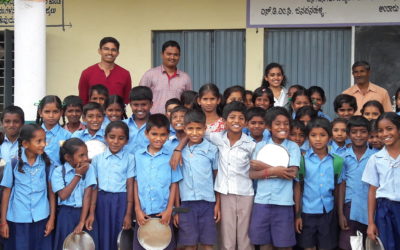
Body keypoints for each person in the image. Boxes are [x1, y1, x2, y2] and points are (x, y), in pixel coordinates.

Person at [249, 107, 300, 249]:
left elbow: (292, 174)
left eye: (286, 123)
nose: (282, 127)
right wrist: (274, 170)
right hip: (262, 202)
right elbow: (252, 174)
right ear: (269, 127)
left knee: (284, 245)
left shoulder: (293, 147)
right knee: (265, 244)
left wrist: (266, 168)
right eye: (278, 123)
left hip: (284, 204)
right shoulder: (260, 146)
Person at [0, 124, 56, 250]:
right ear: (25, 144)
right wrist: (3, 222)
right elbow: (6, 193)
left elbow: (51, 193)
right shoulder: (13, 163)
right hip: (18, 220)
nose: (43, 144)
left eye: (44, 140)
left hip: (42, 218)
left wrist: (51, 219)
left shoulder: (47, 164)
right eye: (39, 141)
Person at [209, 101, 256, 250]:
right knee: (226, 235)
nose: (236, 121)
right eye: (232, 117)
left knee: (245, 236)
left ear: (246, 122)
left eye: (241, 118)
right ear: (224, 121)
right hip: (225, 193)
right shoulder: (216, 138)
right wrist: (178, 150)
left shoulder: (250, 144)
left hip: (245, 193)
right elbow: (192, 132)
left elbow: (255, 167)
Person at [133, 114, 183, 250]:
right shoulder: (138, 156)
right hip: (143, 214)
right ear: (146, 133)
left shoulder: (171, 156)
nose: (158, 138)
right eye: (154, 134)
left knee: (165, 245)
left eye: (162, 135)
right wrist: (137, 209)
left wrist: (169, 210)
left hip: (164, 214)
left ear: (167, 135)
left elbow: (174, 184)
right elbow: (135, 183)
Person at [174, 110, 220, 250]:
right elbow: (175, 181)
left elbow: (218, 178)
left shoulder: (211, 149)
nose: (194, 133)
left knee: (208, 243)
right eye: (190, 128)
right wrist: (177, 209)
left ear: (205, 128)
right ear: (184, 128)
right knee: (189, 243)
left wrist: (217, 204)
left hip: (207, 203)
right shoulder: (179, 152)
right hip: (186, 204)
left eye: (199, 128)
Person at [294, 118, 342, 250]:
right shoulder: (301, 160)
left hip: (328, 212)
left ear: (330, 138)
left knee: (327, 246)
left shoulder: (337, 161)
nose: (318, 139)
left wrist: (340, 214)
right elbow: (298, 188)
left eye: (322, 135)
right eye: (313, 135)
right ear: (308, 137)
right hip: (307, 211)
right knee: (308, 246)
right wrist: (298, 215)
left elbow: (339, 188)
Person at [91, 121, 134, 250]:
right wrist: (91, 211)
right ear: (105, 138)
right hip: (101, 200)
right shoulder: (97, 159)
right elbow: (94, 186)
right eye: (112, 137)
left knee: (119, 233)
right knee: (102, 233)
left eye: (121, 138)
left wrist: (128, 213)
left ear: (126, 141)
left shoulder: (130, 158)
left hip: (121, 200)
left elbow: (130, 185)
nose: (116, 141)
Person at [362, 113, 400, 250]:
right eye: (380, 130)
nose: (385, 134)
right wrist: (371, 222)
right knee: (388, 245)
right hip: (385, 211)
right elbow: (372, 191)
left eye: (389, 128)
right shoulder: (375, 159)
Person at [51, 138, 97, 250]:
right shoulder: (58, 171)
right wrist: (78, 175)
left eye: (86, 154)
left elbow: (88, 196)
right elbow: (63, 195)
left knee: (84, 245)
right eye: (81, 155)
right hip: (65, 215)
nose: (86, 158)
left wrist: (82, 221)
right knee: (66, 244)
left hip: (83, 213)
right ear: (68, 157)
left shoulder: (89, 169)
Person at [337, 116, 374, 250]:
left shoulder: (375, 157)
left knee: (369, 244)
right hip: (349, 208)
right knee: (350, 245)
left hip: (370, 208)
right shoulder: (343, 158)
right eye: (354, 132)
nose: (359, 135)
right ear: (348, 135)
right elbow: (341, 185)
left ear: (369, 134)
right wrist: (341, 213)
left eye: (363, 131)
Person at [139, 40, 192, 114]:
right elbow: (140, 97)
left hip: (176, 121)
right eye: (169, 54)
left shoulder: (185, 78)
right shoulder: (150, 74)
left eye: (176, 55)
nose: (172, 57)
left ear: (179, 56)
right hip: (154, 120)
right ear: (162, 54)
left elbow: (189, 102)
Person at [78, 37, 132, 104]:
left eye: (113, 50)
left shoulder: (125, 74)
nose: (110, 52)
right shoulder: (87, 73)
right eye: (106, 49)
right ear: (99, 51)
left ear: (118, 53)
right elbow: (83, 100)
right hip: (94, 114)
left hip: (115, 114)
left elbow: (126, 101)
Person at [36, 95, 71, 165]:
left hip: (59, 174)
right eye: (47, 112)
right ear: (40, 113)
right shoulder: (33, 134)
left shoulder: (67, 136)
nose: (51, 115)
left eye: (55, 112)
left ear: (61, 113)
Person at [123, 86, 152, 154]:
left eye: (144, 104)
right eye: (135, 105)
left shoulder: (157, 125)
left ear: (151, 104)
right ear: (130, 105)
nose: (139, 109)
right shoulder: (122, 125)